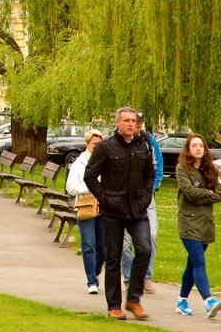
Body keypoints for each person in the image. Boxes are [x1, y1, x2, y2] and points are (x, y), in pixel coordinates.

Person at [84, 106, 155, 321]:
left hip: (137, 209)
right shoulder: (105, 147)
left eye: (133, 120)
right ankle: (114, 305)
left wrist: (146, 196)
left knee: (144, 249)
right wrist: (105, 198)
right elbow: (90, 176)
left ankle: (133, 299)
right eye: (126, 120)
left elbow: (150, 174)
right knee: (113, 258)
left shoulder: (143, 145)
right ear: (117, 123)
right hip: (113, 211)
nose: (130, 124)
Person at [175, 134, 221, 318]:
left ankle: (182, 299)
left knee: (192, 264)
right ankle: (208, 300)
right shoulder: (182, 169)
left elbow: (219, 195)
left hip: (205, 223)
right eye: (194, 145)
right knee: (198, 261)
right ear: (188, 149)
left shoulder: (212, 169)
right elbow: (189, 192)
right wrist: (207, 192)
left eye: (200, 146)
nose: (197, 148)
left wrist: (205, 194)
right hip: (189, 222)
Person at [122, 113, 163, 293]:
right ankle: (130, 277)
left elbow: (157, 167)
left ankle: (146, 276)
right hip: (123, 198)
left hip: (146, 197)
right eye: (132, 124)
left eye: (138, 125)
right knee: (124, 242)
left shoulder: (149, 141)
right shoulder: (115, 143)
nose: (136, 129)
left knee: (151, 234)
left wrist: (151, 189)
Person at [67, 129, 106, 295]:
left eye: (99, 145)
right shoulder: (79, 163)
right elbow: (70, 187)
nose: (97, 147)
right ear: (87, 144)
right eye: (94, 144)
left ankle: (95, 271)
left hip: (103, 208)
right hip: (85, 207)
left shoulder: (106, 162)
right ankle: (91, 281)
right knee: (88, 244)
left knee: (103, 248)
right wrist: (91, 188)